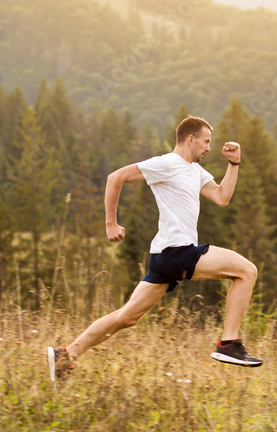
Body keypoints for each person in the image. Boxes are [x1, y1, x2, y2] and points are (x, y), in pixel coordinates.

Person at [47, 115, 263, 382]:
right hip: (177, 252)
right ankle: (228, 343)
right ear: (191, 139)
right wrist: (110, 223)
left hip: (163, 257)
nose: (209, 148)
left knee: (127, 317)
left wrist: (234, 163)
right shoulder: (167, 163)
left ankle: (65, 355)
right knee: (247, 271)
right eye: (206, 142)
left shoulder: (195, 171)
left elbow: (221, 197)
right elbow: (116, 177)